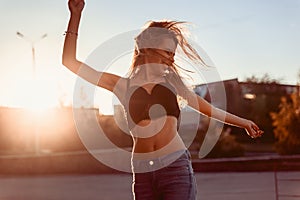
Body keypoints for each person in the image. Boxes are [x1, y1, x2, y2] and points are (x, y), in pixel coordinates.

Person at [62, 0, 264, 199]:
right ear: (147, 48)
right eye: (167, 52)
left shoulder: (173, 83)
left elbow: (208, 109)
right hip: (143, 172)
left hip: (174, 166)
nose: (171, 58)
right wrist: (75, 16)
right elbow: (69, 62)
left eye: (173, 54)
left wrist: (243, 123)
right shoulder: (122, 86)